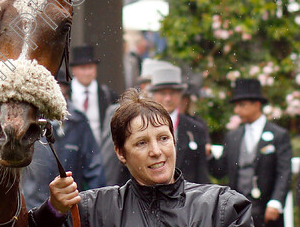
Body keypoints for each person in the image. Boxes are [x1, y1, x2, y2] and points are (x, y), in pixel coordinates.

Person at [29, 89, 255, 227]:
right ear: (120, 152)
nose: (156, 151)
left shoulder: (221, 204)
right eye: (141, 143)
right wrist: (52, 212)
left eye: (163, 138)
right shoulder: (93, 212)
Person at [21, 76, 106, 227]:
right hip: (33, 204)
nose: (57, 93)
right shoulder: (27, 122)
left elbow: (94, 166)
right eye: (51, 88)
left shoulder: (77, 123)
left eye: (61, 88)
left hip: (70, 206)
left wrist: (98, 203)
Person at [209, 78, 291, 227]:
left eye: (242, 104)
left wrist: (276, 202)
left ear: (257, 104)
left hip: (265, 210)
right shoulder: (233, 136)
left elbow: (284, 171)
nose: (237, 110)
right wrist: (206, 154)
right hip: (238, 210)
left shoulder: (278, 135)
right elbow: (220, 170)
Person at [100, 58, 171, 186]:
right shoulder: (122, 113)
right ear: (145, 86)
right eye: (156, 87)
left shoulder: (169, 113)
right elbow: (110, 161)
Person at [148, 62, 210, 183]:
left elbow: (202, 173)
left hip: (187, 197)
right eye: (162, 93)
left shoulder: (195, 129)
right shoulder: (142, 127)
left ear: (181, 95)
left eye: (173, 93)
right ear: (153, 95)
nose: (168, 98)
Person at [69, 45, 117, 142]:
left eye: (90, 67)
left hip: (99, 150)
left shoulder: (107, 95)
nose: (87, 73)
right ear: (74, 70)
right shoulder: (65, 95)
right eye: (83, 68)